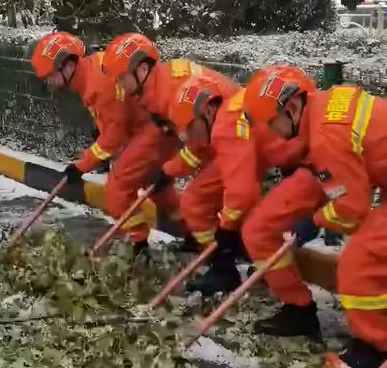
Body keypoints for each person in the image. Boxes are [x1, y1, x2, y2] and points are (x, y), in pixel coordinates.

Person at [242, 64, 387, 368]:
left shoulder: (325, 138)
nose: (274, 134)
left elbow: (351, 208)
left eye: (273, 124)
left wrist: (315, 220)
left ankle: (376, 345)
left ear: (292, 108)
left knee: (358, 263)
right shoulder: (322, 109)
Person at [163, 73, 306, 296]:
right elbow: (196, 152)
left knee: (248, 219)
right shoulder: (221, 115)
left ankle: (230, 262)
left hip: (274, 155)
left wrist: (226, 231)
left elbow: (241, 194)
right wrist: (167, 171)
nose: (190, 137)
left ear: (208, 111)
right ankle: (224, 260)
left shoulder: (225, 127)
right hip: (256, 152)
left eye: (190, 129)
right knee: (195, 202)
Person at [100, 33, 238, 261]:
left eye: (122, 78)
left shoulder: (171, 95)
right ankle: (212, 247)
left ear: (142, 70)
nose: (120, 86)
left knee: (199, 200)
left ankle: (221, 263)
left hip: (232, 140)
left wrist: (169, 170)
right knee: (200, 200)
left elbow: (197, 147)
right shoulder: (159, 85)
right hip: (224, 136)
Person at [30, 31, 139, 193]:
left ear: (69, 66)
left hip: (150, 133)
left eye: (51, 75)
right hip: (139, 135)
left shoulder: (99, 87)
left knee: (119, 196)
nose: (48, 81)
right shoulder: (91, 72)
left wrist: (80, 166)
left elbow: (114, 137)